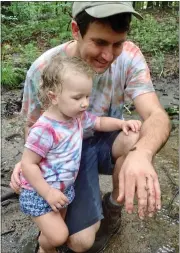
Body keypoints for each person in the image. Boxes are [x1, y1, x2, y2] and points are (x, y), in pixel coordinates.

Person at [10, 2, 171, 253]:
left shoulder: (129, 57)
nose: (108, 55)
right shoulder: (44, 70)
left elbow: (157, 115)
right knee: (80, 243)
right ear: (76, 30)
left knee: (138, 134)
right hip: (63, 154)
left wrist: (143, 154)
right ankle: (53, 231)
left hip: (102, 140)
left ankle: (113, 209)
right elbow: (33, 129)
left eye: (117, 43)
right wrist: (27, 162)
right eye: (99, 42)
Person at [19, 55, 142, 253]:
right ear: (54, 97)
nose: (85, 103)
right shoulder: (45, 129)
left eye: (87, 96)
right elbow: (28, 164)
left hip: (64, 189)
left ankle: (45, 246)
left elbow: (99, 123)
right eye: (77, 98)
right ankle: (44, 247)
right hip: (40, 193)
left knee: (58, 231)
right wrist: (47, 193)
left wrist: (122, 124)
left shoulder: (76, 117)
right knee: (59, 236)